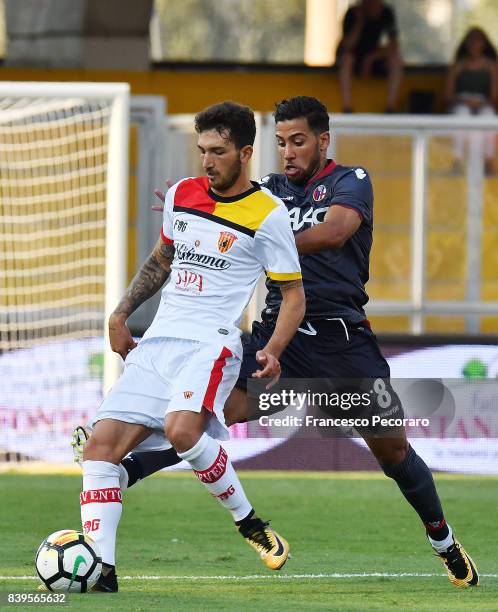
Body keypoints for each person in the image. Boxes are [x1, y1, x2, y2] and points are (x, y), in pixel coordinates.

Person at [74, 96, 478, 590]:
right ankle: (128, 465)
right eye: (282, 142)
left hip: (342, 340)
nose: (287, 152)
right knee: (207, 415)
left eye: (299, 142)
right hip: (276, 334)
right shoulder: (267, 190)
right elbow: (225, 207)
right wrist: (197, 218)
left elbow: (334, 231)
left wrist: (249, 230)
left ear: (323, 141)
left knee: (391, 450)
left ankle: (443, 540)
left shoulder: (351, 182)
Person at [78, 101, 305, 592]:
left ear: (244, 153)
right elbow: (162, 261)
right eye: (202, 150)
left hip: (212, 342)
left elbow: (293, 294)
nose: (207, 160)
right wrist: (120, 313)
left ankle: (250, 524)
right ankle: (102, 571)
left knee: (183, 431)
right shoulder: (182, 194)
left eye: (218, 151)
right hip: (158, 342)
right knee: (99, 452)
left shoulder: (269, 214)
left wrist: (275, 348)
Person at [445, 27, 498, 175]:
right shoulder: (457, 66)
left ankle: (488, 161)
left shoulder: (491, 67)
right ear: (466, 44)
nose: (475, 44)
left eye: (478, 40)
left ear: (484, 44)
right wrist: (464, 100)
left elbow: (494, 97)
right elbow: (448, 96)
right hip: (460, 103)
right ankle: (458, 160)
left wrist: (480, 103)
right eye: (472, 40)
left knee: (488, 118)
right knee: (461, 117)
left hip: (484, 104)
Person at [336, 0, 402, 113]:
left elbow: (393, 45)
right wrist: (359, 22)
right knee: (347, 58)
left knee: (395, 59)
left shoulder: (386, 13)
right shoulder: (353, 13)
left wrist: (370, 59)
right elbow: (347, 45)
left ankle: (390, 107)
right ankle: (347, 107)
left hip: (373, 57)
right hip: (353, 58)